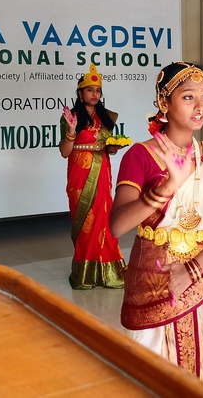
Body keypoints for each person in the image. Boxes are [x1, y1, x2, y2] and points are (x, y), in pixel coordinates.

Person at [110, 62, 203, 397]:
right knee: (152, 373)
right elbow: (117, 225)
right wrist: (168, 186)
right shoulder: (141, 155)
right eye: (188, 97)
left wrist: (193, 270)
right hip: (153, 281)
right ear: (164, 102)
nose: (200, 106)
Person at [58, 64, 126, 290]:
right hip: (80, 174)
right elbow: (65, 152)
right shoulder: (71, 117)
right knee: (86, 221)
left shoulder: (107, 117)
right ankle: (85, 273)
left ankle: (108, 271)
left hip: (102, 172)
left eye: (98, 90)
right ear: (80, 93)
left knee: (104, 219)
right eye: (89, 90)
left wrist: (113, 148)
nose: (94, 94)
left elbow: (106, 147)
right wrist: (71, 131)